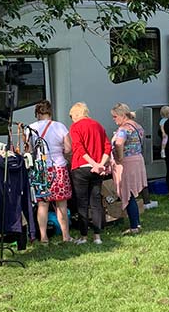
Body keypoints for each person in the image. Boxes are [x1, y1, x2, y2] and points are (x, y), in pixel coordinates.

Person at [25, 100, 73, 243]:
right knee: (61, 204)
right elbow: (69, 148)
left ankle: (44, 237)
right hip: (58, 168)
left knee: (42, 204)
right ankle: (66, 236)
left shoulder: (30, 129)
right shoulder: (60, 127)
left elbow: (28, 150)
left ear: (37, 114)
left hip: (41, 170)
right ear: (50, 112)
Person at [69, 102, 111, 245]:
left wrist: (93, 164)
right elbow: (107, 147)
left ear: (77, 114)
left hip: (81, 167)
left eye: (71, 116)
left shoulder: (75, 127)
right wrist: (100, 164)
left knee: (82, 202)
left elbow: (78, 148)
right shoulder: (98, 125)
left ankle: (84, 236)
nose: (71, 119)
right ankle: (97, 236)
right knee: (96, 202)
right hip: (98, 169)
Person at [110, 103, 148, 235]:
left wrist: (119, 158)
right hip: (137, 160)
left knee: (128, 193)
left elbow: (119, 143)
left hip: (127, 163)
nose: (114, 119)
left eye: (115, 117)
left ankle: (134, 226)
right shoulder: (137, 126)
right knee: (132, 192)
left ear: (122, 115)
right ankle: (136, 222)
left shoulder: (123, 129)